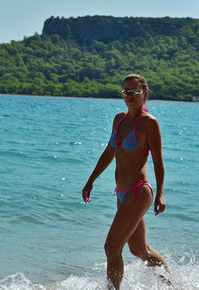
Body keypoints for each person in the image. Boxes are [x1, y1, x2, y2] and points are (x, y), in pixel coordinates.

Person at [82, 73, 169, 289]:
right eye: (125, 91)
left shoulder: (149, 124)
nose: (129, 96)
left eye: (134, 92)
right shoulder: (119, 119)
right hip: (122, 193)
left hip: (139, 192)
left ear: (145, 94)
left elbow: (158, 161)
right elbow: (109, 152)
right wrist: (91, 180)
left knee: (112, 247)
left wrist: (160, 194)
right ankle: (172, 285)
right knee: (139, 250)